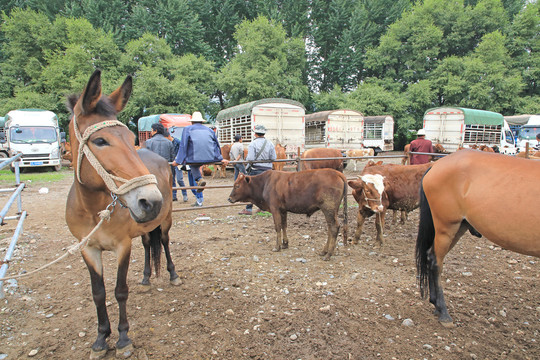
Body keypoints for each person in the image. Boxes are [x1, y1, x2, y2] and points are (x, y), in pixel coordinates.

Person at [171, 112, 229, 198]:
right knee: (195, 164)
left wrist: (178, 160)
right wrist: (220, 159)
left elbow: (183, 145)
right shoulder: (209, 130)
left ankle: (198, 179)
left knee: (193, 165)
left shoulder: (187, 129)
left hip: (194, 158)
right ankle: (199, 179)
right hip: (211, 157)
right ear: (202, 121)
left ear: (192, 122)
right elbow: (216, 144)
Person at [239, 125, 276, 215]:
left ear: (255, 134)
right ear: (264, 133)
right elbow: (274, 157)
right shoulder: (270, 143)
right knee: (266, 189)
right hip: (268, 170)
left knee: (250, 189)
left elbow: (250, 158)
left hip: (256, 169)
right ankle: (264, 208)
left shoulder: (253, 144)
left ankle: (248, 209)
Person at [167, 133, 188, 202]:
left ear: (169, 136)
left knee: (179, 179)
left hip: (178, 163)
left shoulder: (178, 142)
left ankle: (185, 194)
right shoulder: (168, 143)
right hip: (171, 162)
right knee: (172, 179)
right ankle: (174, 196)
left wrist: (179, 160)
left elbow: (182, 151)